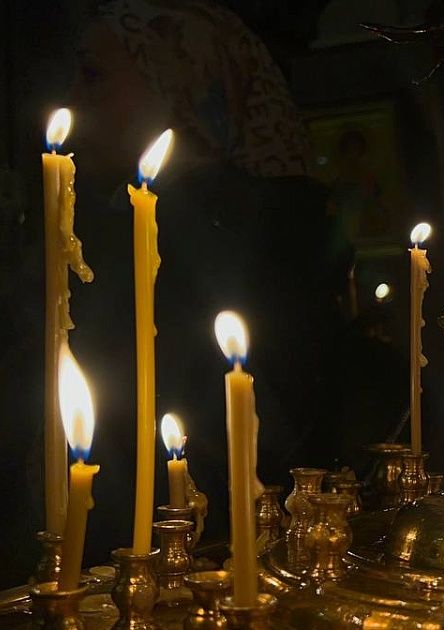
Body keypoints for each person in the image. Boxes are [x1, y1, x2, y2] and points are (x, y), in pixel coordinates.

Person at [68, 0, 353, 558]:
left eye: (94, 75)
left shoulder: (245, 235)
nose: (75, 98)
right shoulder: (116, 221)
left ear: (176, 78)